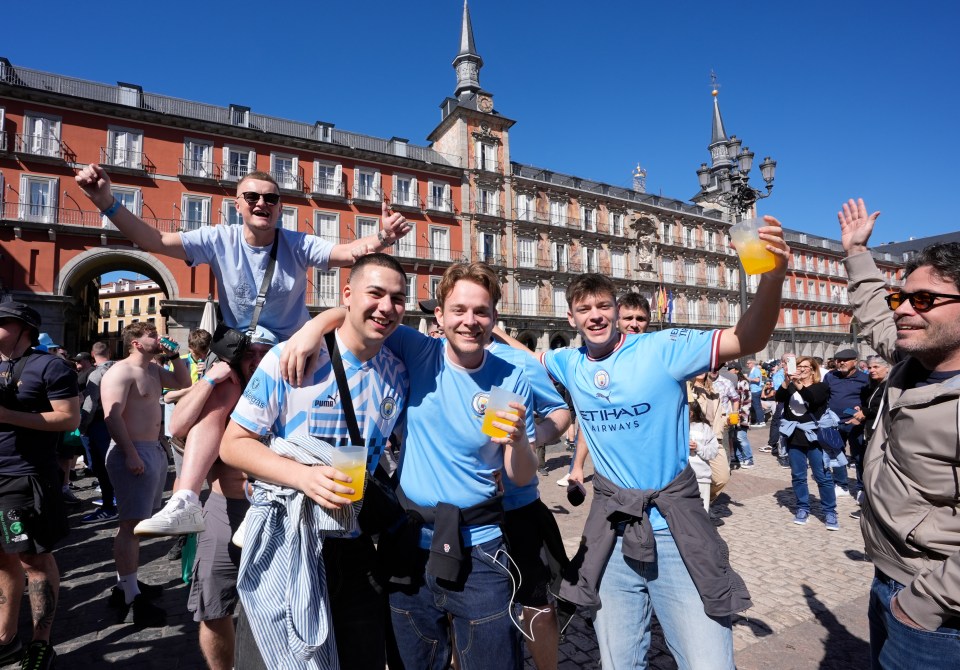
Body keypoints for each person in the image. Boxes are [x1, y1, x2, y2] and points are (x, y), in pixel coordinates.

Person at [75, 164, 412, 535]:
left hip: (289, 353)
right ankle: (186, 498)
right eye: (252, 197)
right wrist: (105, 202)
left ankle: (263, 504)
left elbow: (350, 253)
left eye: (271, 198)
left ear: (279, 206)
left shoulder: (296, 244)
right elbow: (156, 241)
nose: (261, 203)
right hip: (240, 350)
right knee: (218, 403)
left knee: (284, 427)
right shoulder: (219, 239)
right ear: (237, 204)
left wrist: (383, 236)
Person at [536, 215, 786, 670]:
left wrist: (773, 280)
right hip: (610, 530)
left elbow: (748, 337)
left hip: (676, 528)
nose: (596, 315)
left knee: (708, 661)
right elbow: (516, 355)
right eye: (584, 308)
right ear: (570, 317)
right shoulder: (566, 362)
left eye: (603, 306)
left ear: (616, 311)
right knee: (618, 663)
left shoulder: (663, 348)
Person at [279, 261, 538, 670]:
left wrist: (520, 440)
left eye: (481, 312)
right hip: (410, 545)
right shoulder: (418, 350)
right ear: (439, 315)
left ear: (494, 318)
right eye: (459, 310)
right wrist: (312, 329)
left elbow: (519, 474)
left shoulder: (508, 378)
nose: (470, 321)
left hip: (482, 547)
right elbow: (359, 316)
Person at [220, 254, 410, 669]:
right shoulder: (292, 357)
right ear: (347, 295)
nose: (386, 307)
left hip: (356, 541)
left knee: (359, 658)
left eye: (397, 298)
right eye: (375, 293)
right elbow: (233, 445)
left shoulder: (398, 372)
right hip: (286, 538)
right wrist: (302, 477)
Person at [838, 198, 960, 669]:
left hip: (939, 611)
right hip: (890, 576)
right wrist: (856, 253)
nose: (905, 310)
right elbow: (873, 314)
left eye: (924, 300)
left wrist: (924, 603)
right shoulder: (917, 359)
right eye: (901, 298)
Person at [170, 327, 277, 670]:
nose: (258, 360)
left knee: (277, 606)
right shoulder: (227, 390)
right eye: (251, 353)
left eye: (265, 352)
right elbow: (176, 427)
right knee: (213, 607)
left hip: (276, 510)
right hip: (224, 507)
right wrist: (209, 380)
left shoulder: (287, 388)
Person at [0, 302, 79, 669]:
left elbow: (67, 418)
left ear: (22, 327)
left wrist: (7, 415)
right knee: (1, 558)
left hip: (25, 475)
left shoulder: (49, 365)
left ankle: (40, 644)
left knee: (32, 558)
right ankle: (6, 640)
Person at [101, 322, 191, 627]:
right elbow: (111, 416)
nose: (158, 338)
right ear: (136, 343)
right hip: (133, 451)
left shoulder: (153, 370)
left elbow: (182, 381)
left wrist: (176, 355)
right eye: (151, 335)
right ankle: (128, 592)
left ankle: (129, 583)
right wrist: (130, 453)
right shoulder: (120, 372)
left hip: (151, 450)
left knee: (137, 524)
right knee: (129, 525)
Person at [775, 356, 838, 530]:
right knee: (798, 475)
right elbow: (779, 397)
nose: (801, 369)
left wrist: (798, 384)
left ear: (812, 370)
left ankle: (830, 511)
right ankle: (802, 507)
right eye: (799, 366)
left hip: (815, 436)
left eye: (805, 366)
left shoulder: (821, 387)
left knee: (822, 476)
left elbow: (812, 399)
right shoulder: (792, 386)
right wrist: (787, 380)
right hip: (794, 436)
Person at [79, 341, 119, 524]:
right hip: (122, 422)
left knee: (102, 467)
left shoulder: (97, 374)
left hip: (100, 423)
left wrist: (83, 426)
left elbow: (91, 403)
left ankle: (109, 506)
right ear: (109, 352)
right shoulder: (121, 368)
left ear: (92, 355)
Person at [822, 347, 869, 498]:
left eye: (844, 360)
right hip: (834, 422)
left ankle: (862, 487)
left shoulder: (864, 379)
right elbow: (825, 396)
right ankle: (841, 485)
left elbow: (869, 401)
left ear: (854, 361)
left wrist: (861, 416)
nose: (840, 363)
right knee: (836, 454)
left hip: (855, 423)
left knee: (859, 455)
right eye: (838, 360)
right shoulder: (831, 376)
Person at [848, 355, 889, 521]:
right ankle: (870, 504)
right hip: (869, 430)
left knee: (878, 472)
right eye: (870, 367)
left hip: (882, 433)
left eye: (876, 367)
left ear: (887, 368)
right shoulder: (874, 385)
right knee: (869, 468)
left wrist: (866, 412)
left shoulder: (889, 386)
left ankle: (874, 510)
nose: (871, 370)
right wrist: (863, 409)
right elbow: (872, 405)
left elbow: (882, 407)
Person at [688, 401, 720, 512]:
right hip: (680, 478)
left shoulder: (704, 428)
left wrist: (698, 447)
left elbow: (713, 451)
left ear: (691, 413)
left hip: (701, 476)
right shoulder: (674, 426)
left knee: (702, 511)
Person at [729, 366, 756, 469]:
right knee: (734, 437)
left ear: (736, 370)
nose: (729, 371)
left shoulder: (743, 382)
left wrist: (741, 413)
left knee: (741, 437)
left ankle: (749, 459)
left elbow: (745, 400)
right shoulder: (731, 381)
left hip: (742, 413)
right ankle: (738, 457)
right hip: (733, 413)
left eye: (731, 369)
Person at [746, 358, 765, 426]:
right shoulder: (753, 370)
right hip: (754, 390)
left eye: (748, 363)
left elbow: (757, 380)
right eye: (747, 363)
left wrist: (748, 378)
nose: (747, 365)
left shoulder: (756, 370)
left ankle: (761, 421)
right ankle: (759, 420)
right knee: (757, 406)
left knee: (757, 406)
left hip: (756, 390)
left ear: (752, 363)